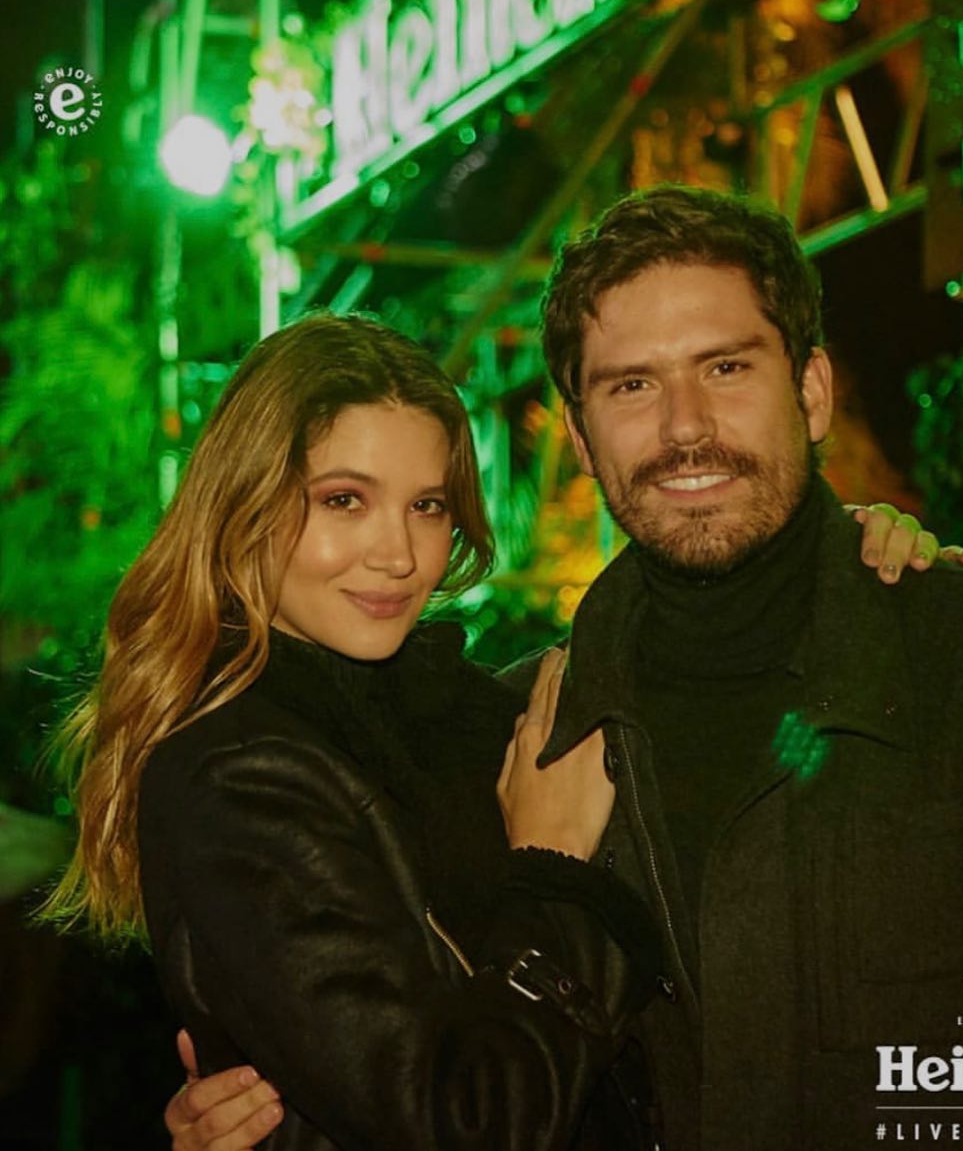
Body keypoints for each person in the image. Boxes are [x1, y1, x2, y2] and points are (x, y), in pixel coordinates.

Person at [176, 185, 963, 1151]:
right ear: (580, 436)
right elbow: (427, 1068)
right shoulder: (509, 739)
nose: (686, 426)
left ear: (813, 391)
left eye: (726, 367)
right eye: (631, 385)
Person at [41, 314, 666, 1151]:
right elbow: (461, 1124)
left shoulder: (463, 717)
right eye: (344, 500)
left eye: (427, 506)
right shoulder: (239, 774)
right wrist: (553, 870)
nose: (398, 554)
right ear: (245, 507)